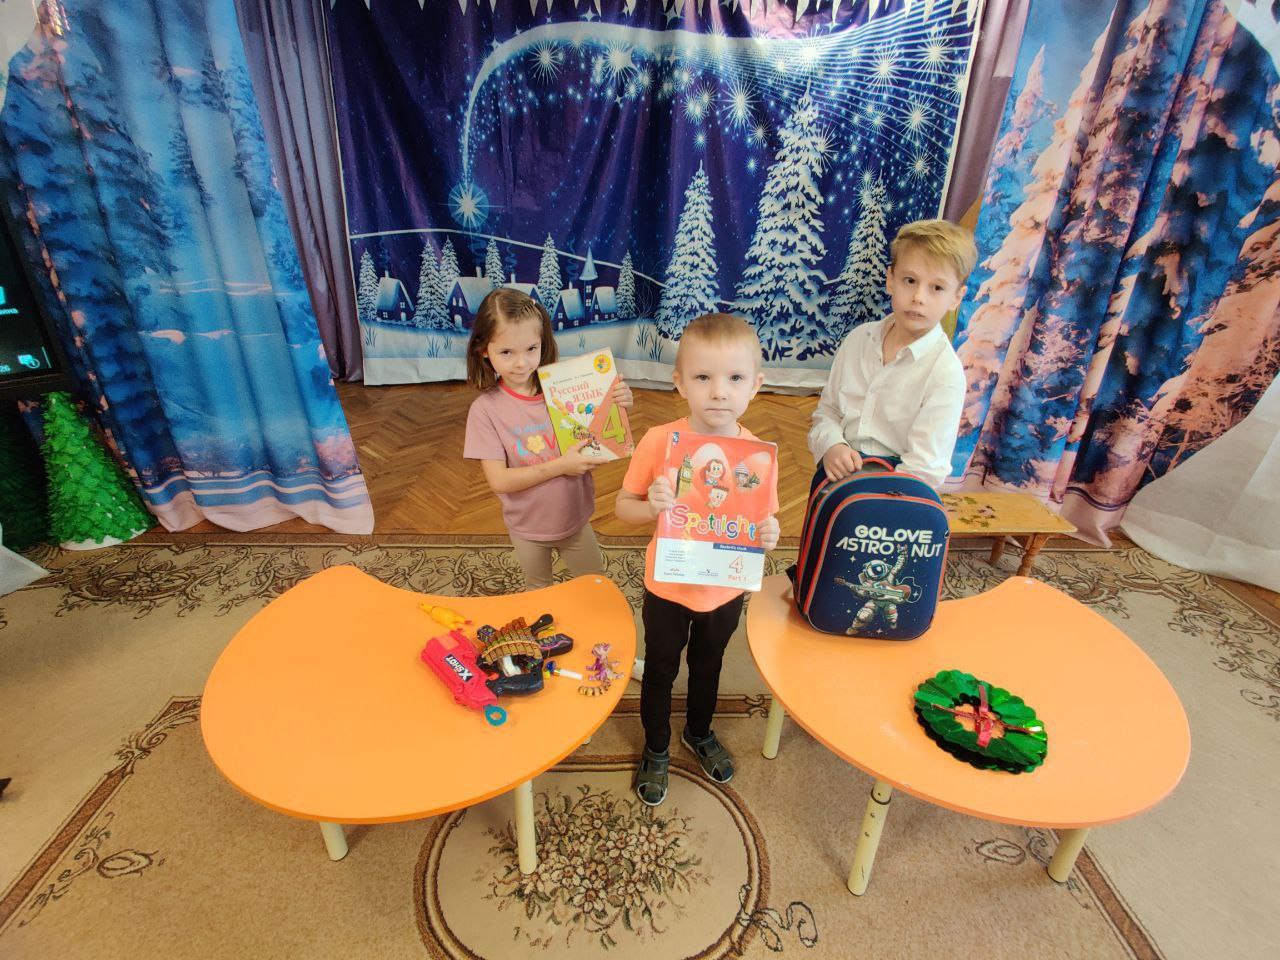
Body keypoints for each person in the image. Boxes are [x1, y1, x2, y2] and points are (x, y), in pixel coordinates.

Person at [615, 313, 780, 806]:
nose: (719, 392)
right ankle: (657, 746)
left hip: (724, 589)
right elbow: (622, 508)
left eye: (735, 378)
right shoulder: (658, 442)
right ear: (679, 382)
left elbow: (761, 525)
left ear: (756, 385)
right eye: (703, 377)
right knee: (660, 669)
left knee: (709, 666)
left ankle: (699, 731)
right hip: (667, 586)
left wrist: (768, 536)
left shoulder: (758, 456)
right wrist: (650, 507)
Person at [464, 288, 632, 589]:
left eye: (531, 348)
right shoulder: (484, 410)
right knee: (538, 592)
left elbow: (596, 439)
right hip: (526, 527)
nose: (521, 363)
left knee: (596, 587)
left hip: (575, 519)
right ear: (483, 350)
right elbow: (499, 481)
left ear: (543, 343)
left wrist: (615, 403)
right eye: (506, 352)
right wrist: (560, 466)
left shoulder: (565, 389)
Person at [808, 219, 978, 488]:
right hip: (836, 476)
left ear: (956, 297)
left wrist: (877, 497)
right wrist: (832, 445)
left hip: (896, 491)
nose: (919, 297)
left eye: (937, 288)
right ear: (890, 280)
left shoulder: (945, 373)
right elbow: (828, 412)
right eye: (910, 281)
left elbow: (925, 468)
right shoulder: (858, 341)